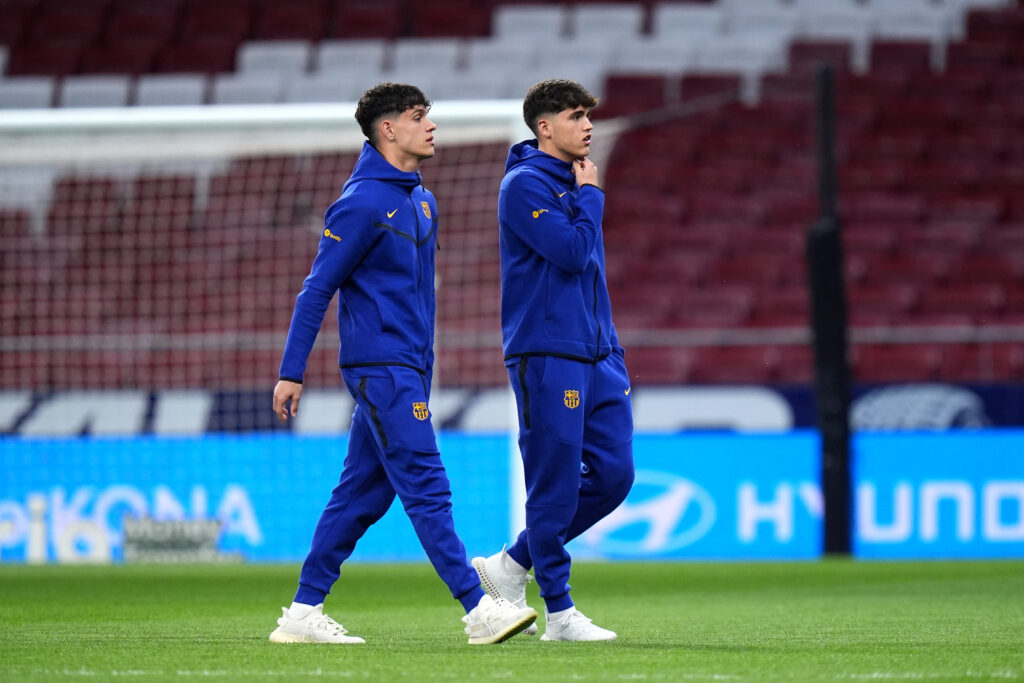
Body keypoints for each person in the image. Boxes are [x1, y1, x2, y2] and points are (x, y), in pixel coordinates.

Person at [269, 82, 537, 645]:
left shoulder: (421, 199)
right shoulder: (362, 201)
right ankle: (477, 607)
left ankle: (301, 614)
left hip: (411, 367)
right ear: (387, 129)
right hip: (379, 366)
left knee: (363, 493)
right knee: (426, 481)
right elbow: (317, 288)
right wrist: (292, 370)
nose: (431, 126)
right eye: (419, 117)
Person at [472, 79, 635, 642]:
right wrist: (591, 198)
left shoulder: (574, 181)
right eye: (575, 115)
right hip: (547, 353)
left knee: (615, 476)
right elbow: (568, 254)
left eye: (589, 115)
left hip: (598, 353)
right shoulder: (523, 185)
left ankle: (512, 563)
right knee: (555, 485)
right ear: (545, 127)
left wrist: (608, 342)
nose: (588, 125)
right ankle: (561, 614)